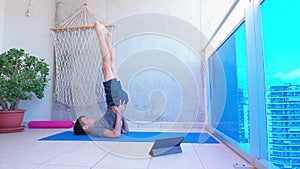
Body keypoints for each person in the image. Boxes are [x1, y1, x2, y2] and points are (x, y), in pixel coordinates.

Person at [73, 21, 129, 138]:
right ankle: (99, 33)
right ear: (85, 127)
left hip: (118, 101)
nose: (90, 117)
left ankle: (108, 38)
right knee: (106, 67)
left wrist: (121, 115)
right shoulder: (95, 130)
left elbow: (125, 131)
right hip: (115, 101)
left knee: (112, 67)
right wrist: (119, 113)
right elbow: (116, 134)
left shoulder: (99, 125)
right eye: (87, 119)